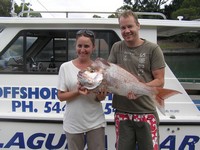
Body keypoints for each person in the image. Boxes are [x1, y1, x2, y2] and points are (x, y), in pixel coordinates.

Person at [108, 10, 166, 150]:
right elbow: (109, 74)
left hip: (146, 112)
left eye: (130, 26)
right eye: (123, 28)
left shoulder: (153, 49)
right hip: (122, 113)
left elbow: (160, 80)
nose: (127, 31)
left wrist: (139, 89)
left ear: (138, 26)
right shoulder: (116, 47)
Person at [57, 29, 107, 150]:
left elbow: (101, 98)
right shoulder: (65, 67)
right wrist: (77, 92)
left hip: (95, 122)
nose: (82, 50)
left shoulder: (100, 68)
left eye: (87, 46)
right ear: (75, 46)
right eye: (80, 46)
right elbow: (60, 96)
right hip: (73, 122)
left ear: (93, 47)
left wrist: (101, 94)